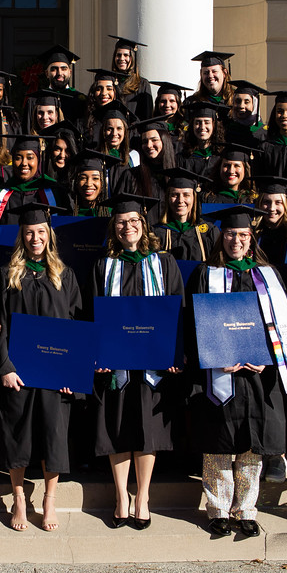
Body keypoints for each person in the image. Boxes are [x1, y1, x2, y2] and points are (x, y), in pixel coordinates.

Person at [185, 205, 287, 538]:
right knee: (218, 443)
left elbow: (282, 324)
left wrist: (268, 357)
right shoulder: (203, 273)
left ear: (251, 238)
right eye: (229, 234)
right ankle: (218, 509)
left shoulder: (266, 274)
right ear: (220, 237)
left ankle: (246, 509)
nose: (235, 241)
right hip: (218, 373)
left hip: (257, 374)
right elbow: (192, 324)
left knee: (252, 445)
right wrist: (211, 357)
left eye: (242, 235)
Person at [89, 194, 184, 529]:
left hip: (152, 365)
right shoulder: (103, 266)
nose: (127, 227)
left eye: (133, 221)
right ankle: (120, 495)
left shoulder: (165, 262)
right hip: (116, 364)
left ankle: (142, 496)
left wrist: (175, 355)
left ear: (143, 225)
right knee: (117, 426)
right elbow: (94, 315)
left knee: (147, 428)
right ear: (113, 228)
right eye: (120, 222)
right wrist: (97, 355)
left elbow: (177, 311)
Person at [0, 203, 84, 531]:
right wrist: (4, 367)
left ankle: (48, 500)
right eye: (29, 232)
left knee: (53, 437)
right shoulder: (6, 275)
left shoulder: (65, 274)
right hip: (19, 372)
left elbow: (74, 325)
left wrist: (70, 372)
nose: (35, 238)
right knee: (17, 436)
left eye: (41, 232)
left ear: (49, 236)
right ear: (22, 236)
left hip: (54, 375)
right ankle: (18, 497)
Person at [0, 134, 69, 226]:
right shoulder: (0, 194)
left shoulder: (55, 192)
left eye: (30, 157)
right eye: (18, 158)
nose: (24, 163)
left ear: (38, 160)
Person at [154, 168, 219, 261]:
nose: (180, 200)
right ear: (167, 198)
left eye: (186, 195)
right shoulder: (157, 233)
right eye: (174, 195)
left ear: (194, 198)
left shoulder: (209, 233)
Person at [109, 35, 153, 120]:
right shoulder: (109, 81)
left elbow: (147, 115)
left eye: (126, 55)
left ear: (132, 58)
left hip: (135, 131)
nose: (122, 58)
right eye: (118, 55)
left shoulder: (142, 84)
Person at [179, 102, 225, 181]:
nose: (202, 127)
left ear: (214, 125)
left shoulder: (222, 156)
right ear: (192, 126)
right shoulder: (183, 157)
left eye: (207, 122)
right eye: (197, 123)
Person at [68, 150, 117, 217]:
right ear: (76, 182)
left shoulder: (113, 215)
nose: (88, 184)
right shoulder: (69, 215)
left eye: (95, 178)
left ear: (103, 183)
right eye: (83, 178)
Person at [224, 80, 267, 146]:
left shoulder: (264, 133)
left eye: (246, 102)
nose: (241, 106)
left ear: (254, 105)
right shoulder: (227, 130)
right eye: (237, 101)